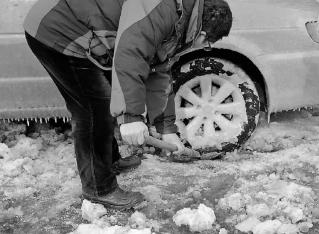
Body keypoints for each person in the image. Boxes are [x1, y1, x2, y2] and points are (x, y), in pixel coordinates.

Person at [24, 0, 232, 210]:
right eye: (207, 45)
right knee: (94, 110)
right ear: (203, 36)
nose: (205, 48)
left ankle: (109, 161)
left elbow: (157, 71)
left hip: (85, 30)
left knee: (105, 99)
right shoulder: (163, 9)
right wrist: (131, 117)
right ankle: (99, 188)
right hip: (59, 29)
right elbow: (130, 53)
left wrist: (166, 128)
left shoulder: (179, 17)